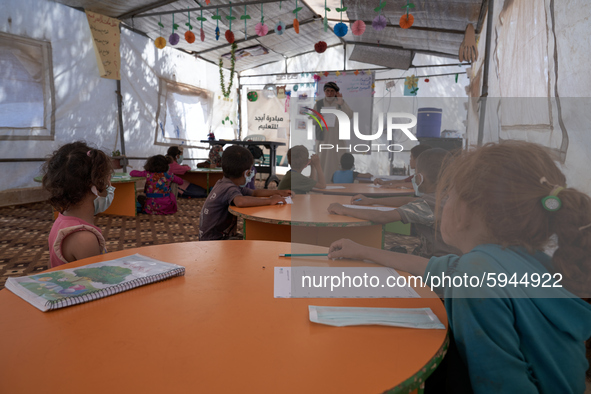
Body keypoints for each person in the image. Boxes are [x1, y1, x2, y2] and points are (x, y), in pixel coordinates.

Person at [328, 141, 591, 393]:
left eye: (449, 195)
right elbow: (431, 267)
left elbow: (501, 384)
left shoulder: (476, 276)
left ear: (464, 213)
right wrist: (363, 250)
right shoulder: (522, 260)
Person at [328, 148, 460, 257]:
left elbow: (382, 217)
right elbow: (409, 200)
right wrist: (371, 201)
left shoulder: (427, 204)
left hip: (434, 265)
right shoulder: (446, 198)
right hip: (451, 260)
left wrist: (344, 209)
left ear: (419, 178)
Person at [42, 142, 112, 268]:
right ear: (95, 185)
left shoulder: (61, 221)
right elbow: (99, 283)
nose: (109, 185)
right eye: (108, 179)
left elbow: (50, 266)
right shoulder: (85, 238)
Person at [199, 146, 292, 241]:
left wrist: (279, 192)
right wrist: (270, 201)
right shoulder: (229, 188)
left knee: (250, 241)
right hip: (213, 242)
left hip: (213, 237)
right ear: (246, 173)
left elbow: (254, 193)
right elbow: (241, 202)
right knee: (253, 242)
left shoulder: (226, 183)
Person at [314, 82, 354, 182]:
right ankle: (322, 182)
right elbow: (313, 120)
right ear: (324, 92)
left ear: (336, 92)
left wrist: (342, 103)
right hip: (323, 139)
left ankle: (338, 182)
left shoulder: (340, 103)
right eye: (327, 91)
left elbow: (349, 115)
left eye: (332, 91)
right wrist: (320, 118)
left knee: (339, 160)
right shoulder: (319, 104)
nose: (330, 93)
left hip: (337, 139)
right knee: (322, 161)